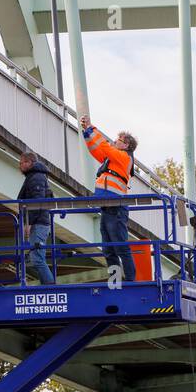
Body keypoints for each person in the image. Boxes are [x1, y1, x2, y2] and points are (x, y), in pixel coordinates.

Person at [80, 116, 138, 284]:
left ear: (126, 145)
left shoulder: (124, 157)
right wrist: (86, 133)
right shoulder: (112, 158)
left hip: (116, 205)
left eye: (118, 140)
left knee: (120, 246)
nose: (115, 141)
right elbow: (95, 150)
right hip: (107, 205)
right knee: (108, 249)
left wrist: (92, 128)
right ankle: (115, 281)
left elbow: (104, 147)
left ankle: (131, 281)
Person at [16, 151, 54, 286]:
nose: (20, 166)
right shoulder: (36, 176)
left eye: (22, 163)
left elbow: (37, 202)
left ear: (29, 162)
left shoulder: (36, 177)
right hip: (39, 222)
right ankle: (48, 285)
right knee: (37, 257)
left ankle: (50, 287)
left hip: (38, 223)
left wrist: (29, 223)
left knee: (37, 258)